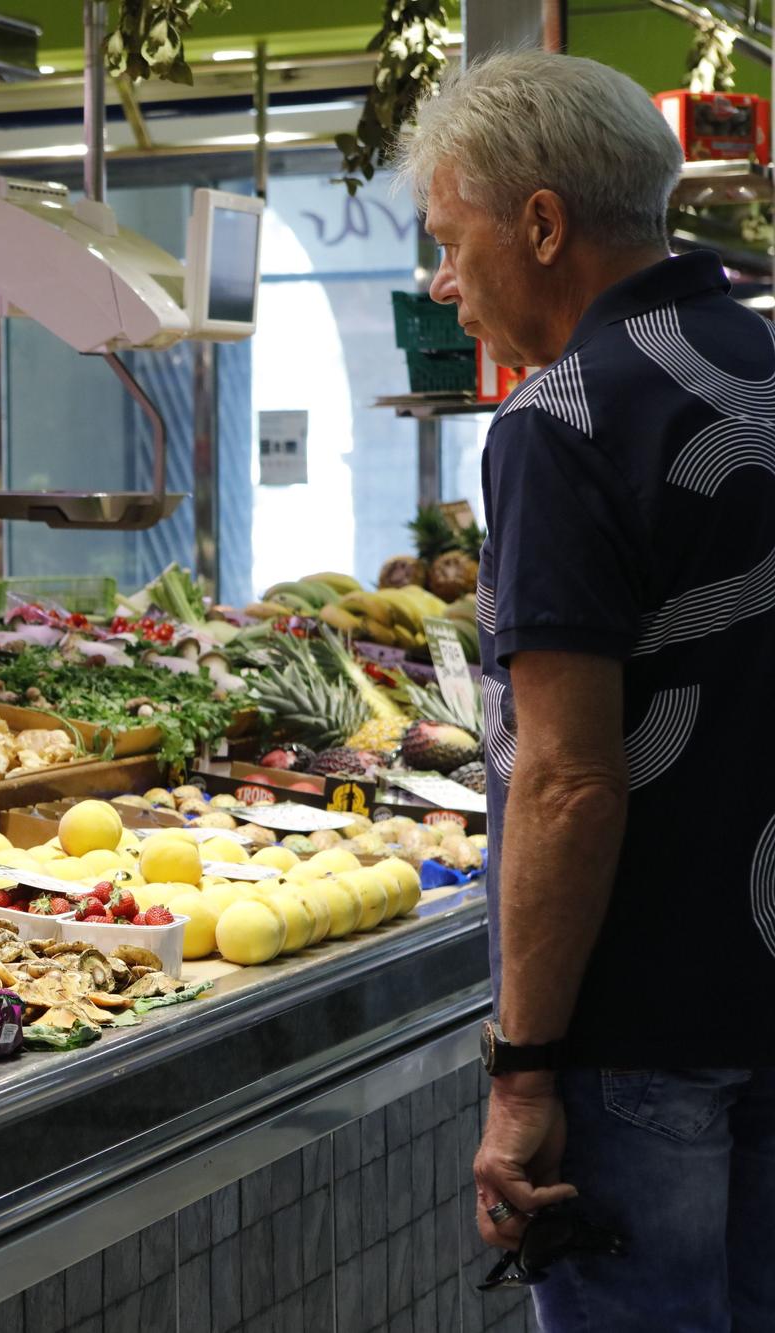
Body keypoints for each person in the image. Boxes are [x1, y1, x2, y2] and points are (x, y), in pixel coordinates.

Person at [396, 50, 775, 1330]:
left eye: (450, 243)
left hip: (644, 1034)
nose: (443, 285)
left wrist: (520, 1068)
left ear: (541, 224)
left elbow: (566, 780)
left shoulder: (562, 420)